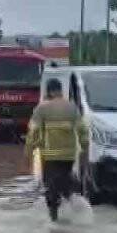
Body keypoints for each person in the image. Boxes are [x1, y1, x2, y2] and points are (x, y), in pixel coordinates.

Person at [26, 78, 88, 222]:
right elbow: (83, 131)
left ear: (49, 91)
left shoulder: (42, 108)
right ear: (61, 91)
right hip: (68, 156)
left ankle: (54, 219)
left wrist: (29, 150)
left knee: (51, 188)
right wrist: (84, 149)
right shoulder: (72, 108)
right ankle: (75, 211)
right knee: (65, 182)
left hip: (50, 156)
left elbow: (33, 132)